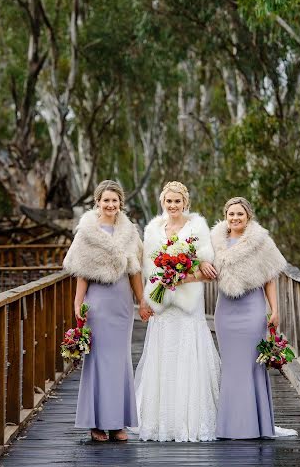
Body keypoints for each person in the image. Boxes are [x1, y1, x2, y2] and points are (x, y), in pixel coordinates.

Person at [63, 180, 150, 442]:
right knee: (98, 361)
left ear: (120, 203)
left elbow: (135, 270)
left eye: (114, 201)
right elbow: (81, 272)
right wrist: (79, 303)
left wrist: (142, 300)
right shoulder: (86, 232)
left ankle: (118, 422)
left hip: (121, 302)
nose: (110, 205)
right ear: (97, 202)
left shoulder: (130, 232)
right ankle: (97, 423)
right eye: (105, 200)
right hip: (98, 301)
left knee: (120, 360)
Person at [134, 181, 220, 442]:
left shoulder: (197, 228)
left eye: (177, 201)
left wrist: (179, 278)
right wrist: (146, 300)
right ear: (162, 202)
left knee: (187, 356)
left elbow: (207, 273)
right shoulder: (152, 230)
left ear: (185, 203)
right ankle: (161, 422)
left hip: (187, 306)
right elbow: (148, 270)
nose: (173, 206)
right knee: (163, 357)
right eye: (168, 201)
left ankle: (190, 422)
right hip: (162, 307)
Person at [208, 196, 296, 439]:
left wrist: (274, 310)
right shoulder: (215, 241)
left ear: (248, 217)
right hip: (225, 311)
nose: (235, 218)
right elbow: (204, 269)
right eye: (231, 214)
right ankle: (229, 426)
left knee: (251, 366)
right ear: (225, 216)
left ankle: (255, 425)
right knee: (232, 367)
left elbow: (270, 277)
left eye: (240, 214)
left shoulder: (261, 242)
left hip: (252, 309)